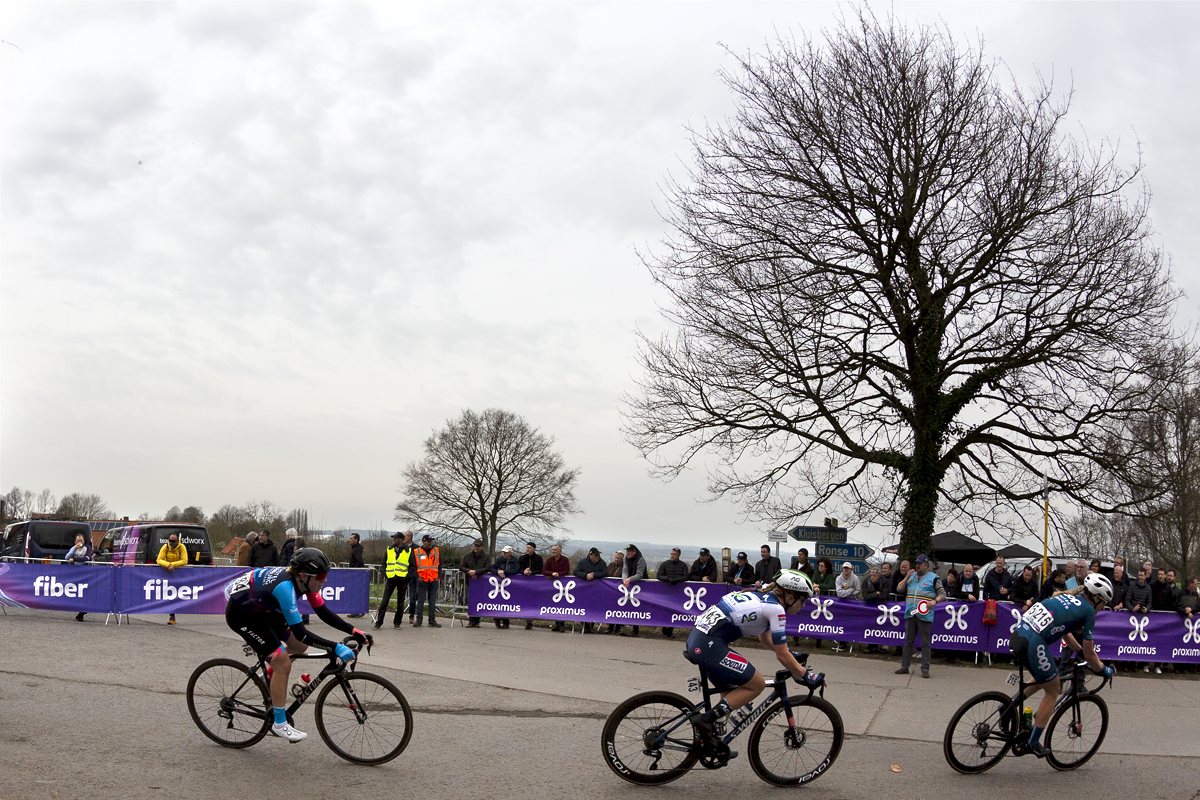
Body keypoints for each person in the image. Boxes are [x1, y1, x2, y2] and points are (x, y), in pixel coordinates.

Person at [225, 547, 370, 743]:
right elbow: (302, 633)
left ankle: (267, 680)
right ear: (303, 575)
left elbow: (323, 613)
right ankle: (279, 724)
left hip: (264, 609)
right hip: (243, 615)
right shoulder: (286, 588)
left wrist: (354, 631)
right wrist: (335, 647)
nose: (325, 580)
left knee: (298, 648)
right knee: (283, 663)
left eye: (325, 575)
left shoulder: (305, 583)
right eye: (321, 575)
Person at [686, 570, 823, 750]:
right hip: (709, 645)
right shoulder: (776, 610)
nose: (804, 605)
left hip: (700, 640)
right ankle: (705, 721)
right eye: (803, 600)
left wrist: (793, 657)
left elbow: (765, 638)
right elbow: (781, 655)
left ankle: (709, 744)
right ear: (790, 596)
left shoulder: (762, 597)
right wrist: (807, 676)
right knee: (756, 684)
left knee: (730, 696)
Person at [1009, 574, 1115, 758]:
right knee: (1053, 689)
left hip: (1018, 636)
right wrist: (1104, 670)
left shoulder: (1067, 597)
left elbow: (1065, 634)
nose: (1102, 608)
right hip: (1034, 642)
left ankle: (1008, 707)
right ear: (1097, 599)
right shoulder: (1088, 611)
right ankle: (1032, 743)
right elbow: (1091, 654)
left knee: (1046, 678)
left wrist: (1079, 650)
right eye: (1103, 603)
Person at [895, 554, 944, 678]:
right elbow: (899, 589)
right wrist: (906, 577)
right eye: (916, 563)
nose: (917, 565)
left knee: (925, 642)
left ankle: (925, 669)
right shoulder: (911, 577)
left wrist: (934, 601)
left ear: (926, 565)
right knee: (908, 641)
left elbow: (942, 594)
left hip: (925, 614)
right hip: (911, 613)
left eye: (920, 563)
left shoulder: (933, 578)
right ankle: (905, 666)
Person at [374, 532, 412, 630]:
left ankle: (397, 622)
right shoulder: (389, 549)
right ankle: (379, 622)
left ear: (401, 539)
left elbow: (412, 566)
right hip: (391, 578)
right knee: (384, 601)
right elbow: (384, 562)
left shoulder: (408, 551)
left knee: (400, 602)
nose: (393, 540)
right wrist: (385, 574)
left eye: (395, 538)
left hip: (402, 579)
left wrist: (407, 577)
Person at [157, 531, 189, 625]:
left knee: (179, 595)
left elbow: (185, 560)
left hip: (179, 574)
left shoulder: (182, 547)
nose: (171, 542)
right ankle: (172, 616)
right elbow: (159, 559)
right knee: (170, 595)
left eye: (173, 541)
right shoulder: (165, 547)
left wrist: (172, 565)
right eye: (169, 540)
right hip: (167, 574)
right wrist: (168, 565)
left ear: (177, 541)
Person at [656, 548, 688, 638]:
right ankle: (664, 629)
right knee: (664, 610)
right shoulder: (665, 564)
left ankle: (670, 630)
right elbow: (659, 575)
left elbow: (686, 576)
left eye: (674, 554)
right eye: (671, 554)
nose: (672, 556)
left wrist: (677, 580)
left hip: (677, 592)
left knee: (673, 611)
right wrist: (667, 579)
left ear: (678, 555)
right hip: (665, 592)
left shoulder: (683, 565)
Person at [459, 539, 491, 628]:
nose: (476, 547)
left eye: (478, 546)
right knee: (470, 600)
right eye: (475, 546)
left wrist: (476, 572)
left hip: (481, 582)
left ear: (481, 547)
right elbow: (461, 567)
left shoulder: (486, 556)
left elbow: (488, 567)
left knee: (479, 601)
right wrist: (470, 571)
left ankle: (477, 621)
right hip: (469, 582)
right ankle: (471, 620)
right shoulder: (467, 555)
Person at [575, 548, 608, 633]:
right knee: (582, 607)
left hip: (597, 590)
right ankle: (585, 625)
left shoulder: (602, 563)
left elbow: (606, 573)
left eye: (598, 555)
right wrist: (585, 575)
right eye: (596, 555)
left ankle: (591, 625)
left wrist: (594, 575)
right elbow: (576, 572)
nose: (598, 557)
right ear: (590, 556)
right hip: (584, 590)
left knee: (594, 607)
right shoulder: (583, 562)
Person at [413, 534, 441, 628]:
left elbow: (439, 565)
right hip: (422, 580)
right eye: (429, 541)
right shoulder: (417, 552)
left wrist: (438, 576)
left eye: (431, 541)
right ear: (424, 541)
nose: (430, 543)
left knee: (432, 601)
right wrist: (417, 577)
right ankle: (419, 620)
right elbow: (413, 566)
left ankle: (432, 620)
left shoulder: (436, 551)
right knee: (420, 601)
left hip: (433, 579)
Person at [620, 544, 648, 637]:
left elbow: (639, 574)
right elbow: (625, 570)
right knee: (626, 606)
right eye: (627, 551)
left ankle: (636, 629)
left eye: (629, 551)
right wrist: (624, 579)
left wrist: (629, 579)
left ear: (634, 552)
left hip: (640, 585)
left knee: (637, 608)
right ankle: (622, 626)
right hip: (629, 583)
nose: (627, 553)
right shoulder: (626, 559)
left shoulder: (641, 560)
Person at [541, 544, 571, 631]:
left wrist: (558, 574)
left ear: (560, 551)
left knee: (562, 604)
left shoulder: (565, 560)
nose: (553, 551)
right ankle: (555, 623)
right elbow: (544, 571)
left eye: (555, 550)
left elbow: (566, 571)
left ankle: (561, 623)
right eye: (553, 550)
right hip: (551, 586)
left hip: (562, 585)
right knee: (553, 604)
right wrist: (551, 574)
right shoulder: (549, 560)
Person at [490, 545, 520, 629]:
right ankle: (497, 619)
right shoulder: (499, 559)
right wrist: (498, 572)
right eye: (503, 552)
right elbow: (492, 567)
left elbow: (516, 570)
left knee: (507, 603)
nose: (504, 554)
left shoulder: (514, 560)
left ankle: (506, 622)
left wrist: (505, 572)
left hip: (510, 584)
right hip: (499, 584)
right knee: (498, 602)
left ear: (510, 553)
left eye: (506, 553)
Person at [65, 533, 90, 622]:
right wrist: (73, 550)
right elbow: (66, 557)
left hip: (85, 572)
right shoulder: (73, 548)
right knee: (76, 592)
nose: (80, 542)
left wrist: (74, 559)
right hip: (75, 572)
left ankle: (82, 612)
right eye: (78, 540)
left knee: (85, 593)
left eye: (81, 540)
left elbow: (87, 558)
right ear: (75, 541)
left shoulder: (87, 547)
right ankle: (80, 612)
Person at [605, 551, 625, 634]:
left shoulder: (624, 567)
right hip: (610, 590)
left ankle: (618, 628)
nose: (616, 559)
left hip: (620, 591)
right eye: (615, 557)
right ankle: (610, 627)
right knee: (610, 608)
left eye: (618, 558)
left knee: (619, 609)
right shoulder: (610, 565)